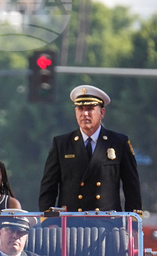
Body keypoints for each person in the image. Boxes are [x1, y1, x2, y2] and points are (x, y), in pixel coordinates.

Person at [38, 84, 142, 213]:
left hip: (107, 223)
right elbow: (48, 187)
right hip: (71, 224)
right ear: (75, 112)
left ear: (102, 112)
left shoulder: (118, 142)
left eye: (90, 108)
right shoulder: (62, 144)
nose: (85, 114)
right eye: (80, 109)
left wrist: (133, 224)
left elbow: (132, 186)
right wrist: (49, 222)